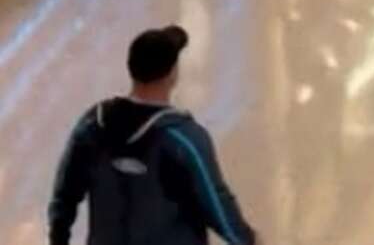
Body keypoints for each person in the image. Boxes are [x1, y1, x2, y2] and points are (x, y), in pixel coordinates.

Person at [48, 25, 258, 245]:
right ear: (172, 74)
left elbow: (64, 196)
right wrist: (247, 240)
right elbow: (216, 203)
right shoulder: (182, 138)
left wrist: (58, 238)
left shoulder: (92, 125)